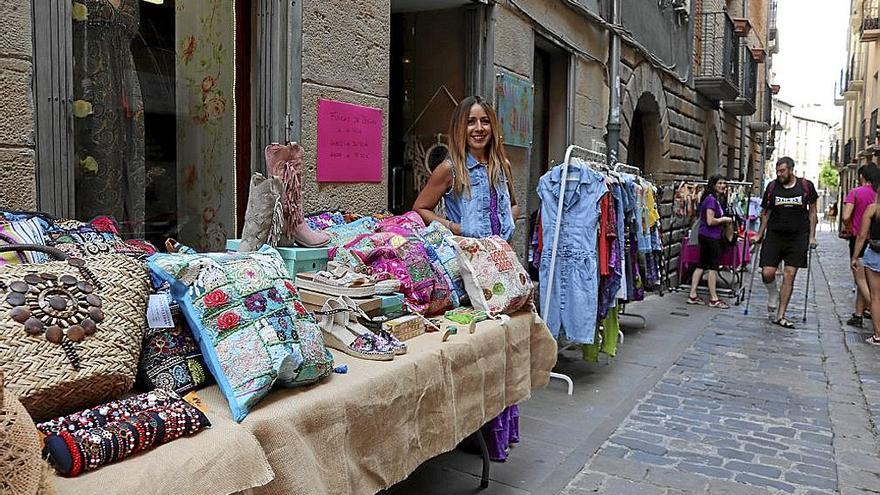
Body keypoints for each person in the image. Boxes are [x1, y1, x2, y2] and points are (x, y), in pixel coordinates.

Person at [413, 95, 520, 462]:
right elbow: (420, 209)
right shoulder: (450, 169)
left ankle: (501, 430)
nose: (478, 129)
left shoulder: (501, 165)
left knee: (504, 348)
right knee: (481, 353)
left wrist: (505, 225)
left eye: (485, 121)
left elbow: (513, 206)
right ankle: (477, 431)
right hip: (469, 273)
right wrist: (459, 228)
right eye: (471, 122)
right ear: (460, 128)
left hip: (502, 269)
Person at [755, 156, 818, 328]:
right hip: (775, 236)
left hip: (798, 237)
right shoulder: (773, 187)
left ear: (791, 169)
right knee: (767, 273)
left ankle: (780, 315)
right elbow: (766, 212)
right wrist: (759, 234)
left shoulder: (806, 186)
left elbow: (812, 213)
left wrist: (812, 236)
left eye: (782, 171)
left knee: (789, 275)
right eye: (777, 171)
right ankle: (773, 293)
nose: (779, 174)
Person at [687, 174, 734, 309]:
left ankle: (692, 295)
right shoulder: (711, 200)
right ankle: (713, 299)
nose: (722, 186)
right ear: (713, 185)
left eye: (724, 183)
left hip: (705, 235)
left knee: (701, 265)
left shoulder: (712, 199)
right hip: (711, 237)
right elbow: (710, 220)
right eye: (719, 183)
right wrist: (724, 219)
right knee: (713, 267)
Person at [841, 164, 879, 327]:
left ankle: (873, 308)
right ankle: (858, 314)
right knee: (865, 278)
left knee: (859, 278)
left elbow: (845, 215)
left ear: (861, 176)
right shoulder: (876, 194)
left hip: (860, 240)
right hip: (875, 240)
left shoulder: (855, 192)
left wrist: (849, 227)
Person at [850, 189, 880, 345]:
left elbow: (862, 236)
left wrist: (855, 257)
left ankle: (878, 335)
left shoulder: (872, 209)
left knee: (876, 296)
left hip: (875, 254)